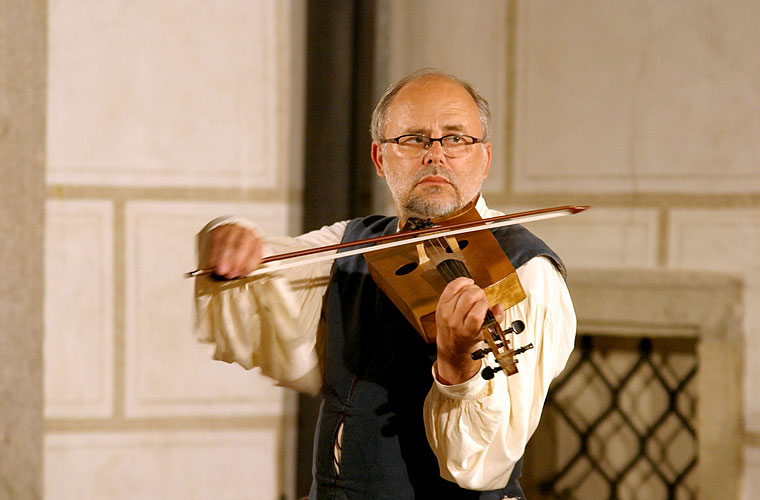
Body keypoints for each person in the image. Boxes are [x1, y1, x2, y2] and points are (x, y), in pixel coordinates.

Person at [194, 69, 576, 500]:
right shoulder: (351, 243)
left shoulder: (525, 272)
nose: (436, 155)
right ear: (379, 159)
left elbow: (481, 464)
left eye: (455, 139)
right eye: (414, 138)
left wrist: (457, 367)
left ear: (483, 159)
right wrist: (228, 236)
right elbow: (264, 285)